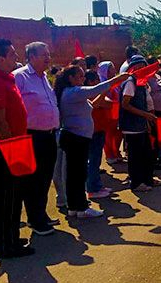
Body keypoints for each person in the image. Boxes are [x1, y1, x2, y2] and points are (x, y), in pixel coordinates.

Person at [0, 38, 33, 258]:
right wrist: (13, 150)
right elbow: (0, 122)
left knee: (14, 197)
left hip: (15, 146)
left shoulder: (7, 79)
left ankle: (12, 238)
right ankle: (4, 246)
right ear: (0, 59)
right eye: (12, 54)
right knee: (5, 200)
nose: (17, 57)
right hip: (5, 150)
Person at [55, 65, 128, 218]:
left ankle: (75, 207)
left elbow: (93, 104)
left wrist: (105, 90)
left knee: (75, 174)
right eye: (80, 77)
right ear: (71, 78)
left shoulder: (73, 94)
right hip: (76, 138)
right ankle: (81, 207)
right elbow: (95, 89)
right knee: (78, 175)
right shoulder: (73, 92)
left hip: (76, 138)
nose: (83, 80)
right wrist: (116, 80)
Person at [13, 42, 60, 236]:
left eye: (48, 54)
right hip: (32, 136)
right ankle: (35, 219)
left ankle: (41, 214)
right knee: (34, 180)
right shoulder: (20, 77)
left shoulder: (44, 78)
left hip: (49, 135)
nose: (48, 58)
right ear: (31, 57)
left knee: (45, 178)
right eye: (43, 55)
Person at [119, 55, 160, 192]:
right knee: (135, 156)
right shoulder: (130, 82)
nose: (142, 68)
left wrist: (147, 119)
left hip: (141, 125)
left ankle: (147, 179)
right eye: (138, 66)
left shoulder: (142, 82)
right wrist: (145, 115)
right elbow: (125, 104)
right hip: (132, 126)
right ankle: (136, 183)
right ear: (133, 68)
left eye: (143, 66)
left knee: (146, 154)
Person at [84, 70, 112, 199]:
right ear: (89, 82)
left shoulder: (96, 94)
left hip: (100, 130)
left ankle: (97, 185)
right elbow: (95, 105)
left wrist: (101, 98)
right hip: (92, 132)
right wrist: (102, 95)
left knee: (96, 160)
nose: (98, 82)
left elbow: (109, 104)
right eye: (95, 80)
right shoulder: (86, 94)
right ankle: (92, 188)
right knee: (92, 161)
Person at [98, 61, 124, 165]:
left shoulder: (116, 83)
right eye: (111, 68)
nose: (114, 69)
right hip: (107, 112)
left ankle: (116, 152)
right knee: (108, 134)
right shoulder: (102, 83)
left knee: (117, 133)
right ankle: (109, 155)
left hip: (116, 111)